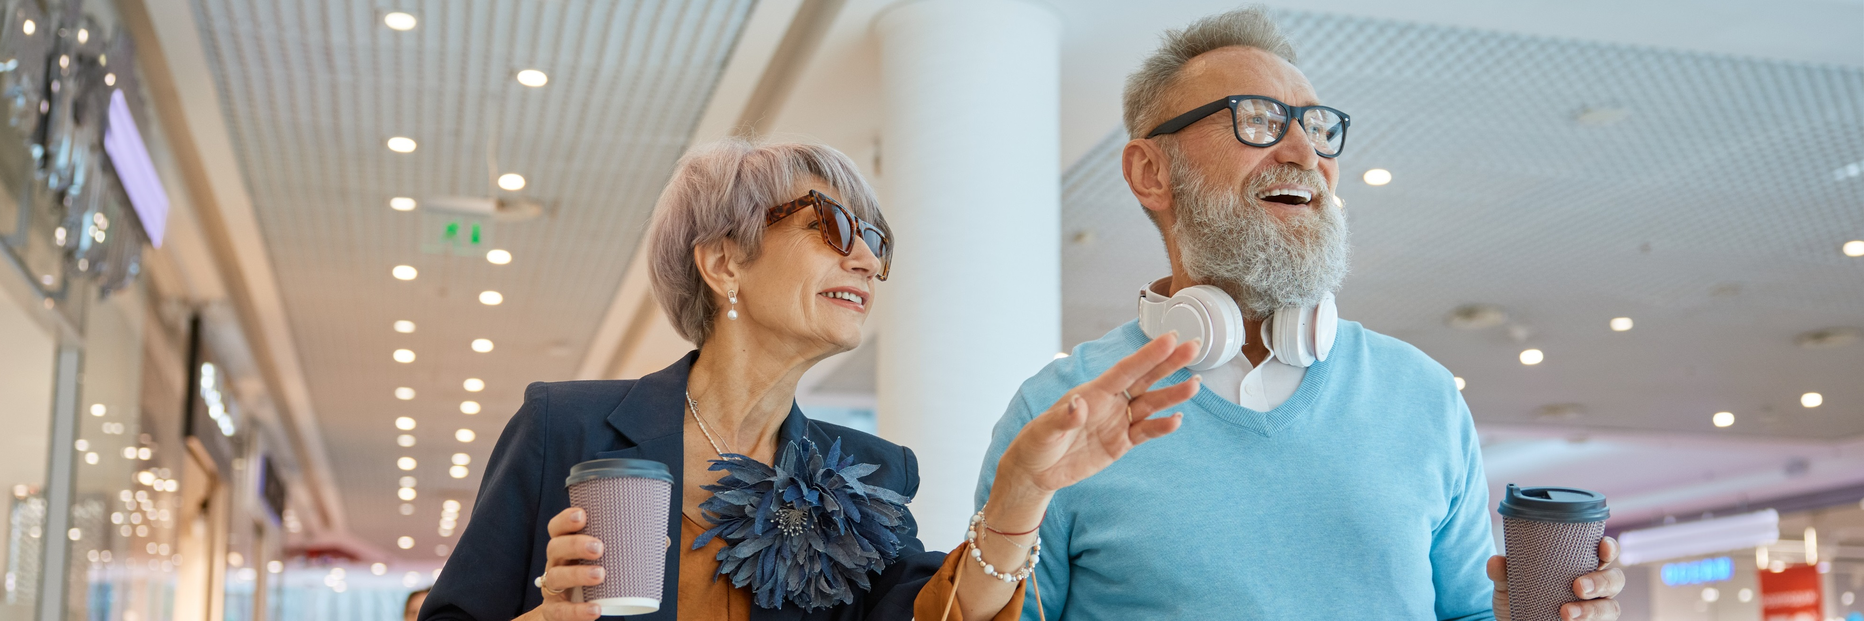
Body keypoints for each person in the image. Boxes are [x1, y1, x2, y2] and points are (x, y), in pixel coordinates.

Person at [973, 8, 1627, 621]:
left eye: (1317, 128)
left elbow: (1468, 609)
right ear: (1151, 173)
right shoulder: (1058, 414)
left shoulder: (1422, 395)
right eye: (1257, 121)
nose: (1306, 155)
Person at [421, 138, 1204, 621]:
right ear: (725, 259)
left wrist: (1020, 494)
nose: (864, 259)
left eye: (875, 242)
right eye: (831, 227)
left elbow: (937, 616)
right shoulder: (567, 426)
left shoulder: (869, 474)